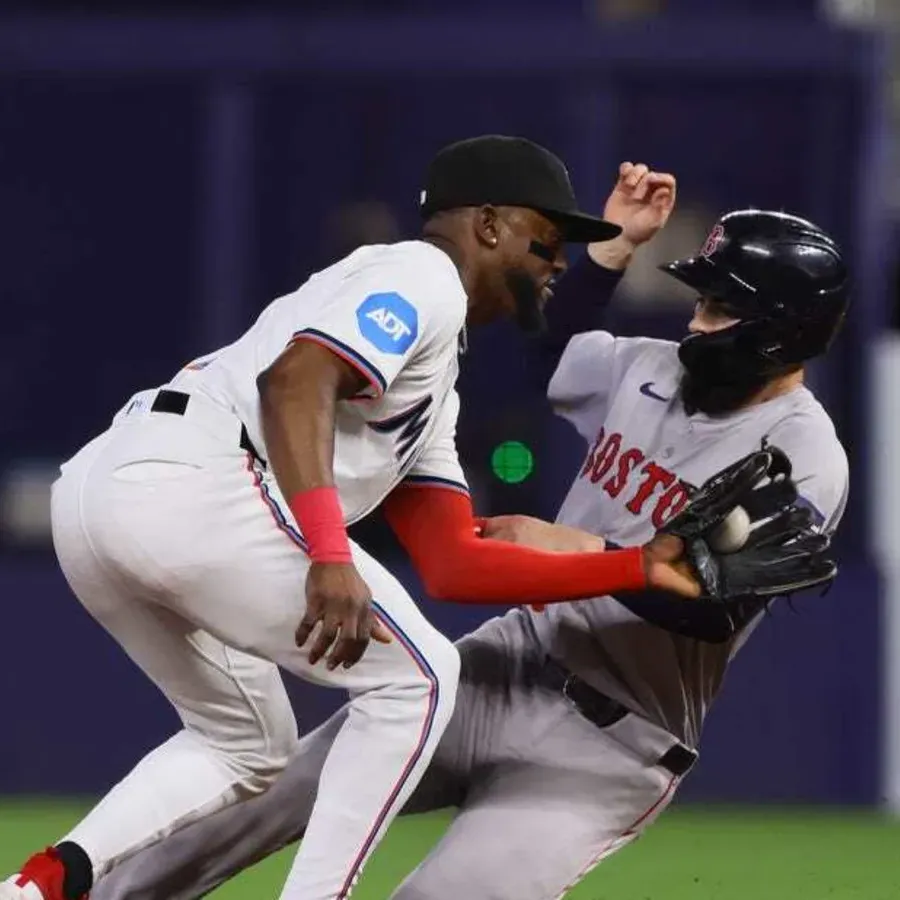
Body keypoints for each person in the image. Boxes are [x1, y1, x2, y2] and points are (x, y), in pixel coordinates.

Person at [2, 140, 718, 900]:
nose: (557, 260)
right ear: (486, 226)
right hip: (189, 477)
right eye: (546, 237)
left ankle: (45, 883)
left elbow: (453, 561)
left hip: (105, 498)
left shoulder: (434, 384)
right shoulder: (421, 275)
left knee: (247, 747)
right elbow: (297, 379)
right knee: (423, 680)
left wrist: (635, 567)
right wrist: (329, 550)